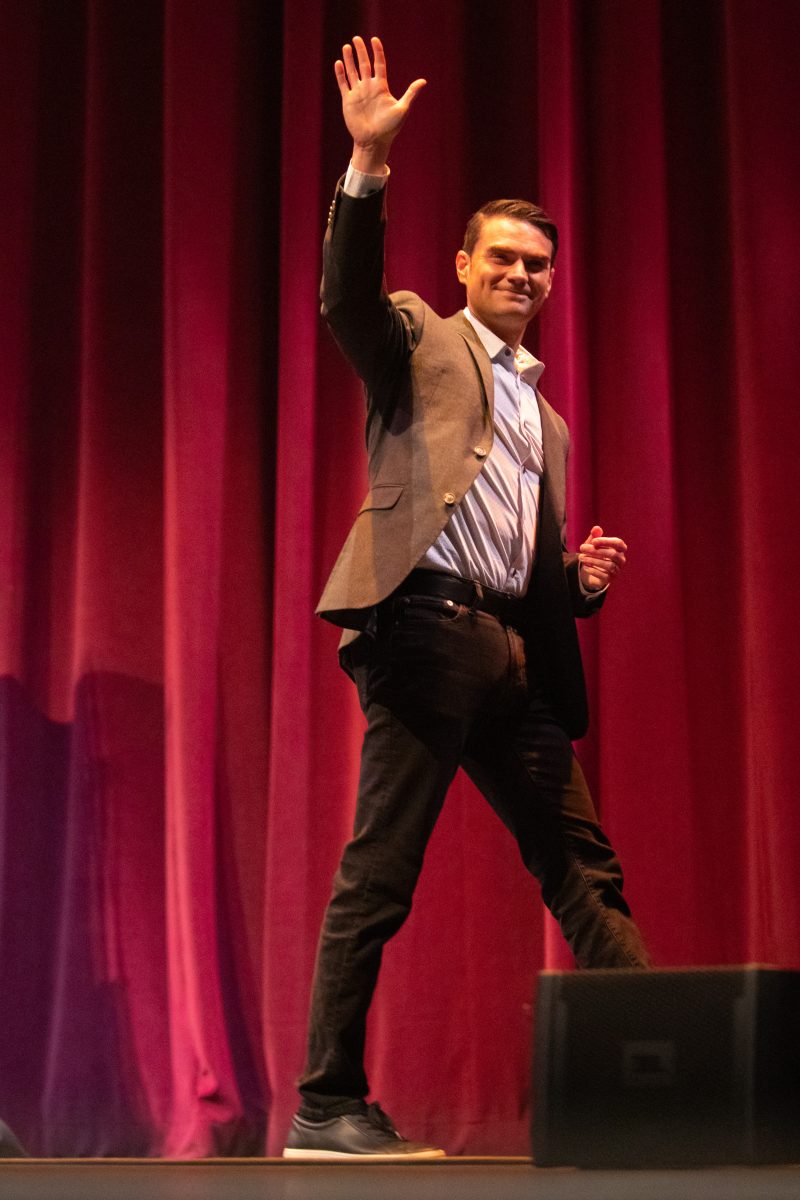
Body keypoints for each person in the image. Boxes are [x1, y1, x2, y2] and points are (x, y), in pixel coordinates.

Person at [283, 35, 650, 1161]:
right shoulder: (415, 336)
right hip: (426, 629)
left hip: (514, 655)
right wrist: (366, 166)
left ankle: (667, 1079)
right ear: (460, 264)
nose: (520, 275)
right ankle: (324, 1102)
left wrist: (572, 587)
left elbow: (524, 567)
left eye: (536, 263)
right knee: (381, 868)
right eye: (501, 257)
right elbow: (342, 295)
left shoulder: (550, 424)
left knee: (582, 862)